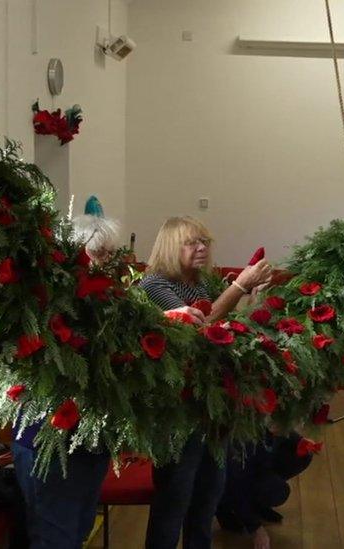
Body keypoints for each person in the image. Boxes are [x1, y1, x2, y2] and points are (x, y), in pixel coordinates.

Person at [12, 196, 181, 549]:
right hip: (49, 439)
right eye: (101, 254)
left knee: (78, 527)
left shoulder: (106, 299)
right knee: (54, 535)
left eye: (111, 254)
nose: (110, 263)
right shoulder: (53, 302)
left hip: (88, 441)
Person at [141, 216, 272, 549]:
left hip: (212, 403)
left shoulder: (200, 283)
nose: (202, 248)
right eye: (192, 242)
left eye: (205, 242)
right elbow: (199, 323)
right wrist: (240, 285)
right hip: (177, 407)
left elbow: (229, 327)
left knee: (207, 497)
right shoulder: (155, 284)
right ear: (171, 246)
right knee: (175, 498)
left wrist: (253, 297)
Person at [216, 432, 313, 548]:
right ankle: (226, 507)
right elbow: (235, 482)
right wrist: (255, 528)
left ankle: (256, 503)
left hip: (257, 455)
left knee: (305, 452)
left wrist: (301, 440)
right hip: (231, 472)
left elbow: (283, 428)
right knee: (273, 490)